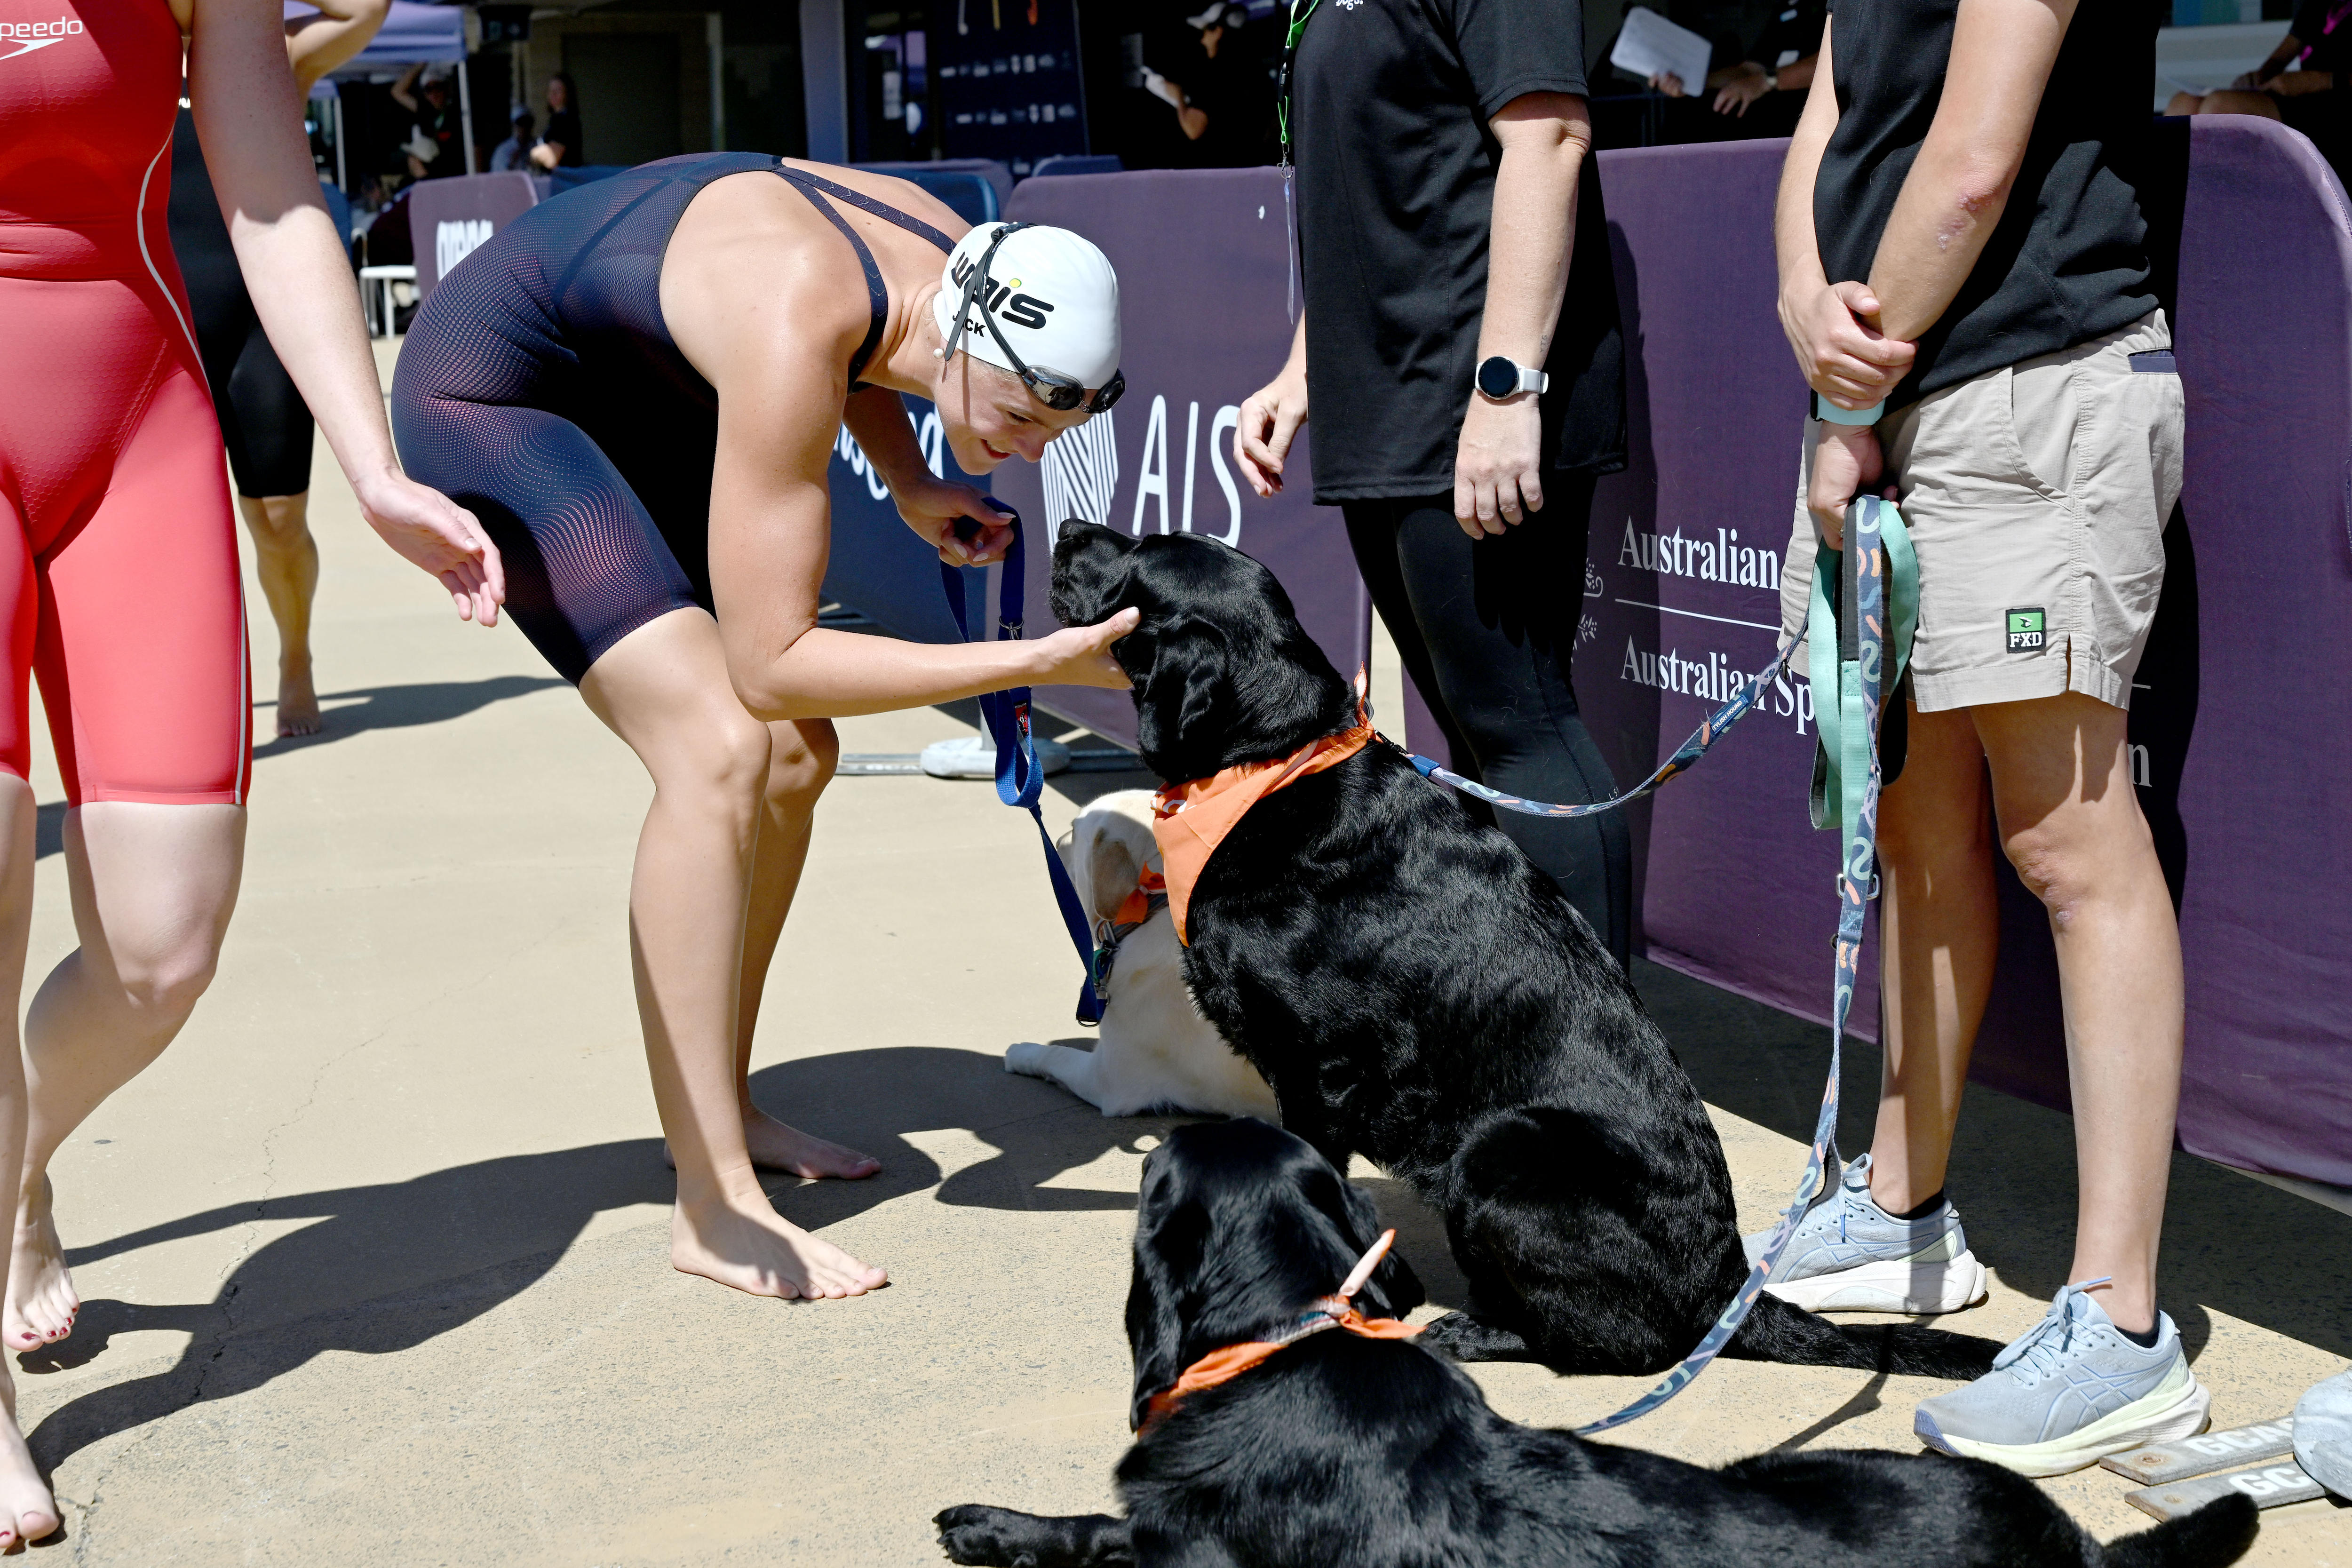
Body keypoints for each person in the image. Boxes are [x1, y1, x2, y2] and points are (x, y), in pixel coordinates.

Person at [389, 160, 1136, 1303]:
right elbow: (772, 663)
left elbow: (866, 342)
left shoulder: (951, 263)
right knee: (725, 747)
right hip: (500, 396)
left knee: (799, 757)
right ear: (977, 342)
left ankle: (722, 1106)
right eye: (1027, 417)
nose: (1032, 451)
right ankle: (714, 1199)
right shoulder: (793, 307)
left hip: (646, 379)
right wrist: (1037, 663)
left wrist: (905, 476)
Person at [0, 0, 501, 1544]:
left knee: (161, 949)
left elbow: (272, 192)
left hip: (132, 426)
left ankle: (19, 1179)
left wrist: (371, 463)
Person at [1769, 0, 2197, 1475]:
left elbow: (1968, 162)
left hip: (2033, 389)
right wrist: (1802, 309)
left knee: (2068, 844)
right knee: (1913, 824)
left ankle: (2122, 1324)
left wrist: (1841, 384)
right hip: (1894, 402)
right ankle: (1900, 1214)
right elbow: (1826, 115)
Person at [1234, 0, 1635, 968]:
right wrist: (1303, 368)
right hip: (1386, 395)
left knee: (1519, 723)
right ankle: (1519, 1033)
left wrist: (1506, 385)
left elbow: (1548, 139)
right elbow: (1365, 181)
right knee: (1471, 735)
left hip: (1471, 387)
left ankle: (1597, 1072)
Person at [170, 0, 390, 738]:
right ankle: (187, 684)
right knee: (173, 527)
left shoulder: (273, 54)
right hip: (160, 313)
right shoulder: (111, 56)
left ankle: (294, 655)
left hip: (261, 317)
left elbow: (363, 9)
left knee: (276, 516)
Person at [2165, 2, 2351, 175]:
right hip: (2301, 96)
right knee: (2183, 104)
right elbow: (2279, 59)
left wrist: (2322, 80)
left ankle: (2215, 198)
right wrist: (2258, 77)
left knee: (2222, 108)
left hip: (2332, 103)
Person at [1650, 0, 1824, 139]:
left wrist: (1766, 80)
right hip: (1769, 126)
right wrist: (1692, 83)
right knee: (1687, 110)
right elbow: (1750, 71)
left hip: (1811, 125)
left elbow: (1837, 60)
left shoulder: (1834, 6)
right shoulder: (1785, 9)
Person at [1140, 3, 1275, 168]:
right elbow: (1274, 123)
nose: (1203, 39)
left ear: (1217, 32)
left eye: (1205, 31)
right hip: (1255, 166)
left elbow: (1194, 129)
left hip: (1223, 169)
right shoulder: (1256, 71)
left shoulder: (1212, 76)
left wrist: (1178, 97)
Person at [391, 62, 459, 178]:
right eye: (428, 90)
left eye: (437, 88)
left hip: (451, 170)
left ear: (447, 88)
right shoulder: (425, 111)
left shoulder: (456, 112)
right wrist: (420, 65)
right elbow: (397, 92)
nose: (434, 94)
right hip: (428, 170)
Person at [529, 72, 583, 170]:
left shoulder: (566, 119)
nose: (553, 94)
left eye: (558, 90)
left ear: (567, 93)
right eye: (551, 90)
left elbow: (552, 159)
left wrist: (533, 154)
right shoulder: (556, 118)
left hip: (565, 179)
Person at [490, 105, 535, 173]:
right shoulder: (503, 150)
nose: (524, 128)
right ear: (514, 125)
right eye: (520, 123)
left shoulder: (538, 146)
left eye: (527, 123)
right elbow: (497, 176)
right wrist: (512, 163)